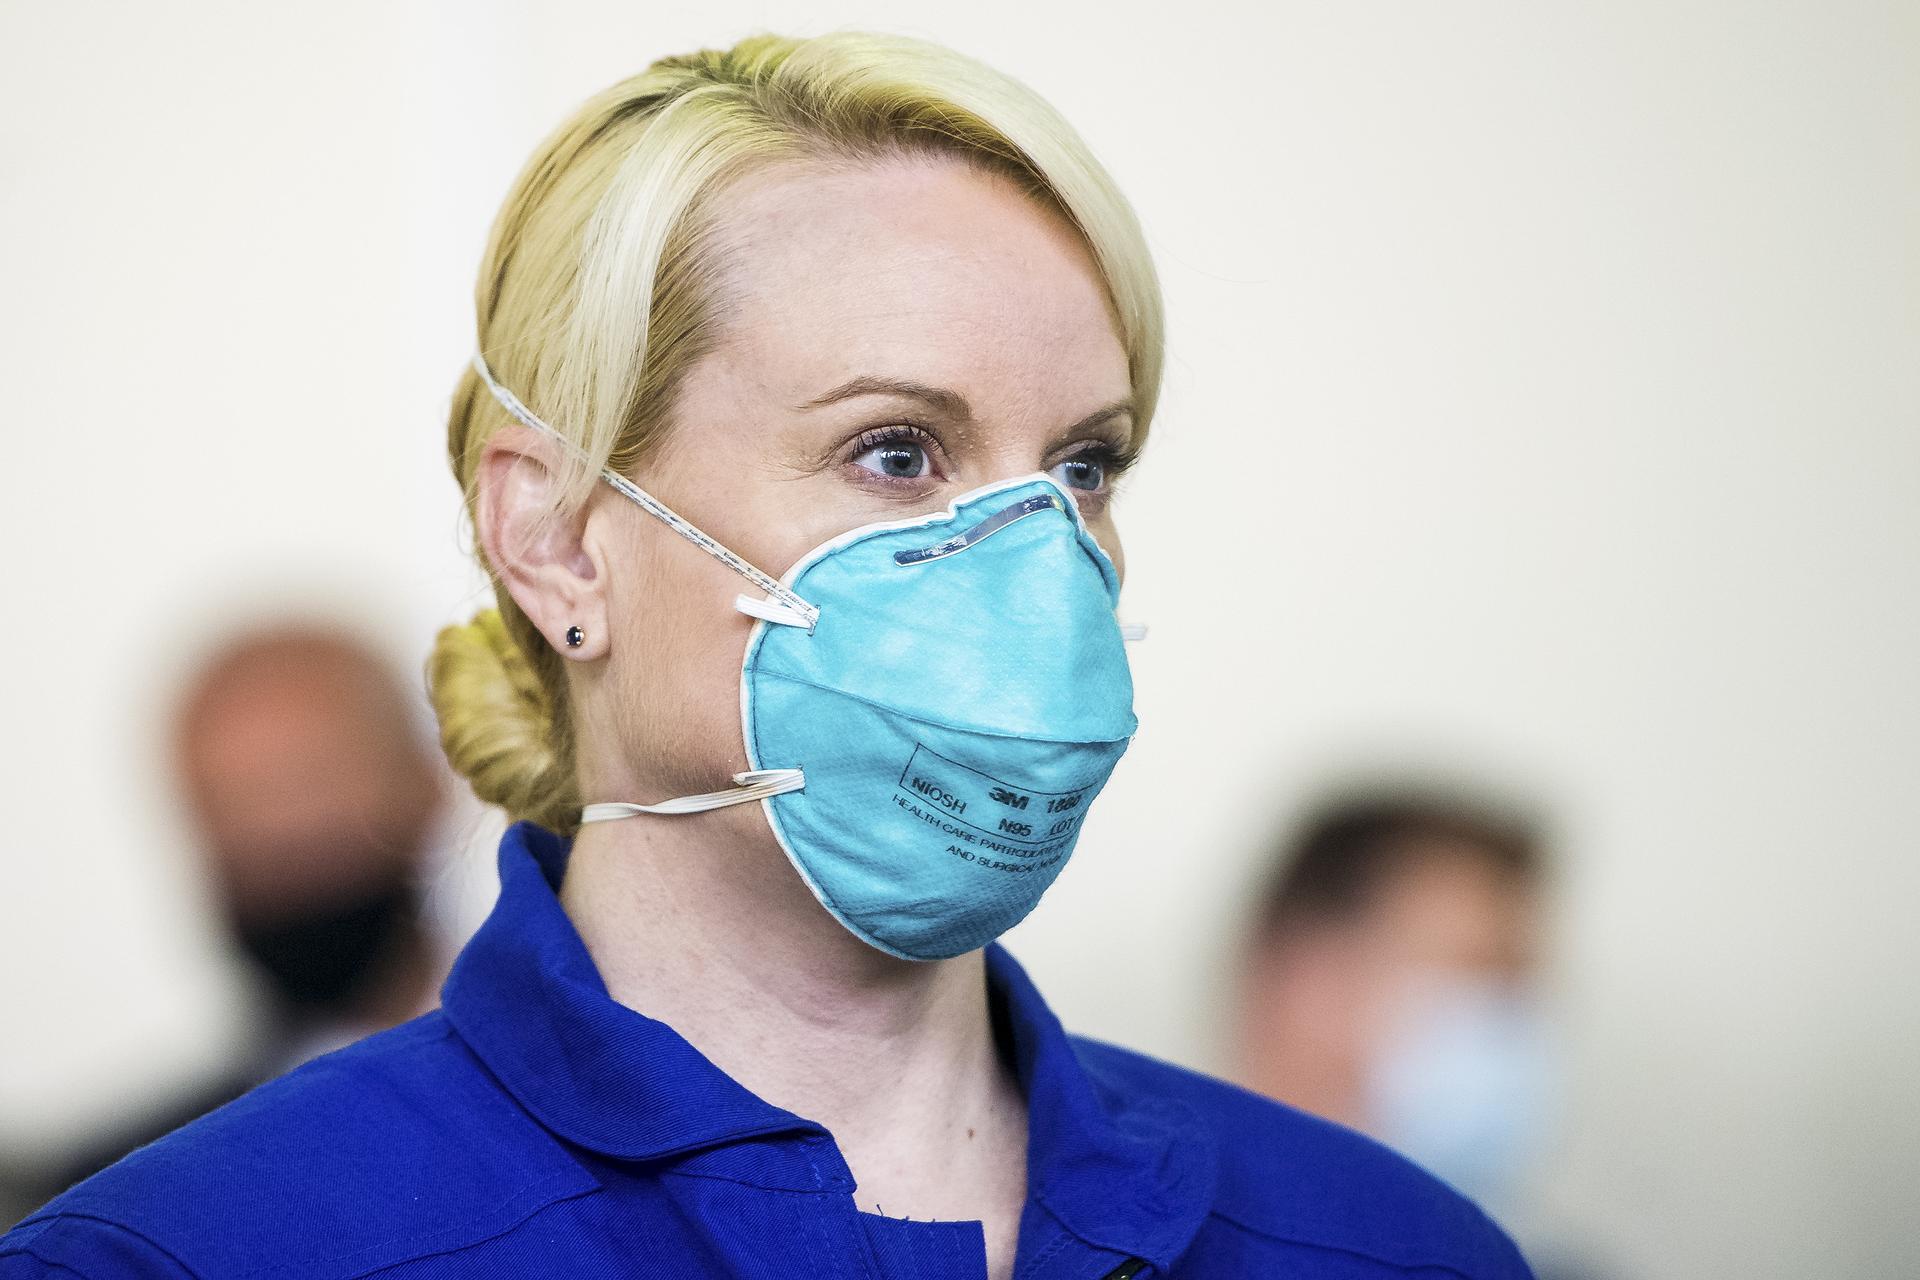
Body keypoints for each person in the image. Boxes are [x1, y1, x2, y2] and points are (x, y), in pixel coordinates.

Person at [1, 31, 1534, 1278]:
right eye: (895, 450)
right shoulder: (199, 1255)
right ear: (558, 539)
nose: (1035, 576)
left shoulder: (1388, 1249)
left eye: (1081, 468)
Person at [13, 622, 458, 1204]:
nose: (275, 837)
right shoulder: (125, 1199)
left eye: (307, 782)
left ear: (425, 782)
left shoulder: (566, 1087)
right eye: (228, 805)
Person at [1229, 788, 1553, 1220]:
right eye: (1476, 971)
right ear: (1310, 980)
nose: (1507, 1021)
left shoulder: (1519, 1254)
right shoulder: (1158, 1239)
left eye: (1518, 986)